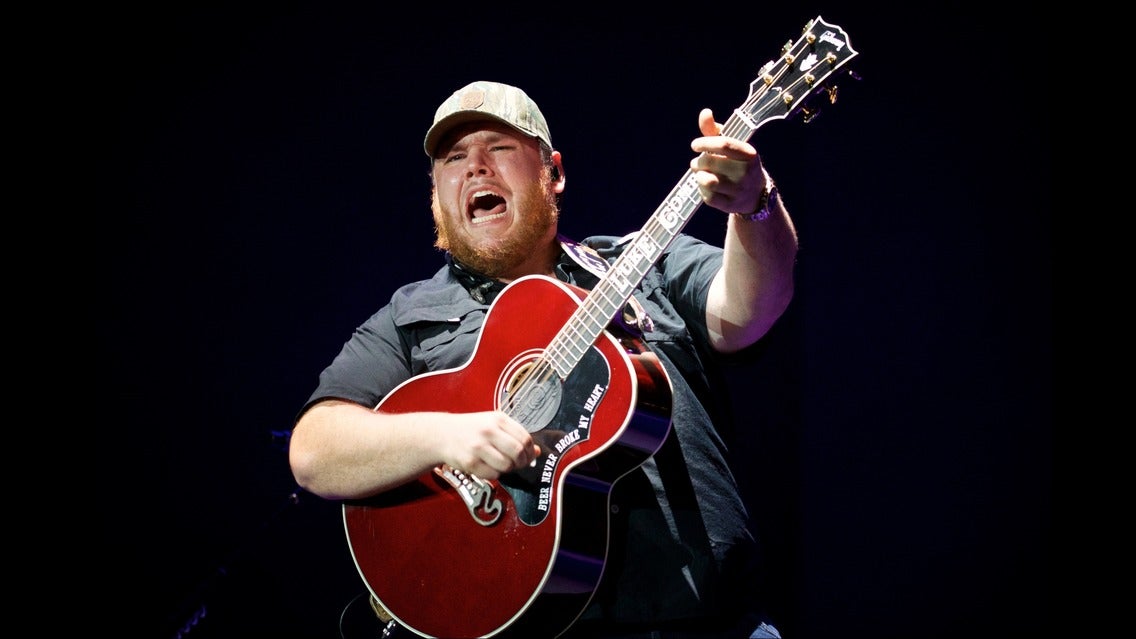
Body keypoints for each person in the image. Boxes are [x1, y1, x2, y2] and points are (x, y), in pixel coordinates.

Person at [289, 80, 797, 639]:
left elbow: (751, 309)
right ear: (435, 195)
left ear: (552, 173)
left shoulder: (645, 263)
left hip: (708, 619)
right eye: (454, 159)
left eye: (500, 148)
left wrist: (756, 206)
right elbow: (315, 452)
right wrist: (443, 436)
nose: (476, 168)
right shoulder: (410, 317)